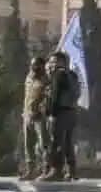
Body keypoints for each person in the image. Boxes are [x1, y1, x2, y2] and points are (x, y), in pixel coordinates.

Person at [40, 52, 80, 182]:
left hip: (60, 112)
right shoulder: (72, 75)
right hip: (71, 112)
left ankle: (56, 171)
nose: (51, 64)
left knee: (56, 142)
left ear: (61, 62)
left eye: (54, 61)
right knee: (68, 142)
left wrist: (52, 113)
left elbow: (55, 95)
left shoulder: (58, 74)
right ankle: (71, 170)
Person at [20, 57, 49, 180]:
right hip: (27, 114)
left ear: (42, 66)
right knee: (28, 144)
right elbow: (27, 96)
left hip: (39, 116)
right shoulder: (29, 78)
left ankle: (45, 168)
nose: (34, 67)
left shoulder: (46, 80)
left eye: (37, 65)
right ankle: (30, 170)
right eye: (32, 65)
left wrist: (39, 110)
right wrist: (25, 112)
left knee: (43, 144)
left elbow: (46, 98)